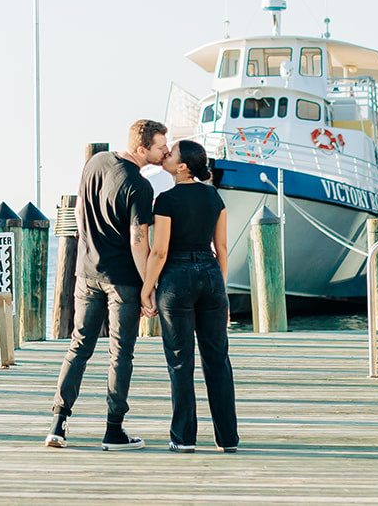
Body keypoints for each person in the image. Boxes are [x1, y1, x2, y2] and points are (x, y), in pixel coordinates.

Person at [45, 119, 168, 451]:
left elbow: (80, 212)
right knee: (120, 355)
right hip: (123, 282)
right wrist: (148, 288)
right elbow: (138, 242)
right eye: (160, 147)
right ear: (142, 149)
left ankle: (58, 424)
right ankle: (113, 431)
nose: (166, 151)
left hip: (86, 273)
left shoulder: (95, 163)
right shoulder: (140, 187)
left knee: (79, 347)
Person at [141, 138, 239, 453]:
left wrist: (147, 289)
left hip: (177, 279)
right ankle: (228, 439)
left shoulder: (165, 200)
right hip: (211, 277)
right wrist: (221, 291)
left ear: (182, 167)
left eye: (171, 154)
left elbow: (159, 251)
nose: (166, 155)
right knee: (218, 361)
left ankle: (184, 439)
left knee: (181, 362)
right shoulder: (214, 197)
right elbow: (221, 248)